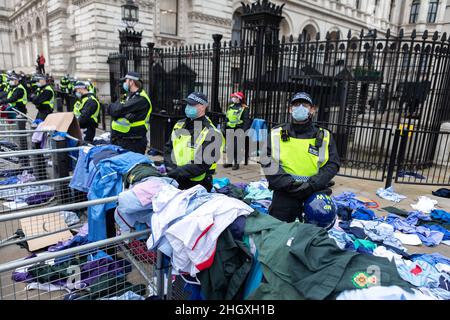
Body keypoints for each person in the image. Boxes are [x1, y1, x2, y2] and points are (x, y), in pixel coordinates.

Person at [261, 92, 340, 223]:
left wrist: (312, 184)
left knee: (313, 234)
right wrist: (288, 184)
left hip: (314, 193)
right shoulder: (276, 133)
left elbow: (332, 164)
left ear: (313, 110)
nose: (300, 108)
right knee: (279, 232)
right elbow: (267, 160)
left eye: (305, 105)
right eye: (296, 105)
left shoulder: (324, 135)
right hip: (285, 192)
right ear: (290, 109)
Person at [164, 92, 225, 192]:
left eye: (192, 105)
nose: (188, 107)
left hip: (197, 185)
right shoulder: (180, 124)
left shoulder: (212, 132)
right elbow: (168, 148)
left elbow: (201, 165)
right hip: (176, 179)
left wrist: (175, 172)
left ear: (203, 107)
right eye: (187, 104)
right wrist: (170, 168)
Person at [107, 72, 152, 154]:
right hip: (122, 139)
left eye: (126, 81)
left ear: (131, 82)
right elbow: (113, 109)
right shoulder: (127, 95)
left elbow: (116, 110)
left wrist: (117, 111)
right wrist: (116, 110)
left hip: (134, 142)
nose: (124, 83)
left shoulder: (141, 98)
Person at [223, 91, 251, 170]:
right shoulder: (230, 106)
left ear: (239, 98)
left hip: (238, 129)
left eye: (235, 97)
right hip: (229, 128)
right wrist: (224, 126)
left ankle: (236, 163)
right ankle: (229, 162)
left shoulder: (244, 108)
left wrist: (243, 131)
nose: (233, 98)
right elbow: (227, 118)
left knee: (236, 147)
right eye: (233, 97)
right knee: (229, 146)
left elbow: (246, 121)